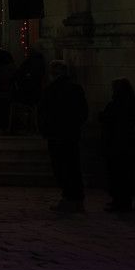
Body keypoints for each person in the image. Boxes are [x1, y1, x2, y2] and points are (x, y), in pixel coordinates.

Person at [38, 60, 88, 213]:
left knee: (62, 168)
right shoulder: (76, 89)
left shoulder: (51, 90)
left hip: (56, 135)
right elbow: (83, 111)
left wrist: (45, 130)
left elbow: (44, 112)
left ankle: (68, 198)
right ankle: (77, 199)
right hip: (71, 134)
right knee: (73, 166)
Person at [98, 78, 135, 213]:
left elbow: (107, 118)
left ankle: (120, 202)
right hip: (125, 143)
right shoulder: (131, 103)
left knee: (117, 174)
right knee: (123, 174)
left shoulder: (117, 104)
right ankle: (122, 201)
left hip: (116, 144)